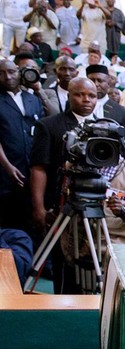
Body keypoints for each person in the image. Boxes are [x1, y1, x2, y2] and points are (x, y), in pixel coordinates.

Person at [29, 78, 97, 293]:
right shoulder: (49, 125)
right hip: (61, 207)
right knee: (62, 262)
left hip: (96, 207)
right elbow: (38, 168)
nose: (86, 100)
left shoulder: (110, 125)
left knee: (94, 260)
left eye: (92, 95)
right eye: (79, 94)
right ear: (68, 95)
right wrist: (39, 207)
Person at [0, 59, 45, 231]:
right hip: (7, 171)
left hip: (32, 170)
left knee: (33, 221)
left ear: (20, 72)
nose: (7, 76)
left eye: (11, 71)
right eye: (2, 73)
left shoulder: (32, 99)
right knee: (9, 221)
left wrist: (38, 90)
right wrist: (8, 167)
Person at [86, 64, 125, 151]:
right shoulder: (75, 104)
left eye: (100, 80)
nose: (96, 84)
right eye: (92, 80)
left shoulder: (121, 112)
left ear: (108, 82)